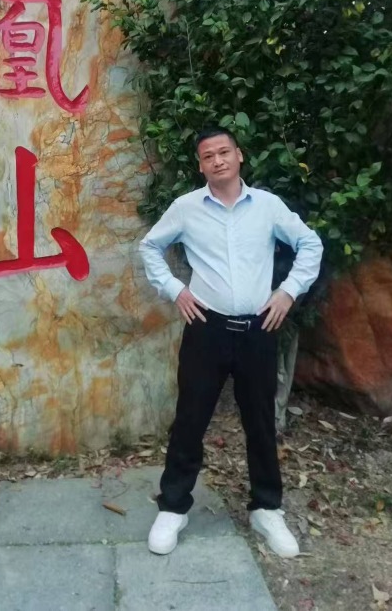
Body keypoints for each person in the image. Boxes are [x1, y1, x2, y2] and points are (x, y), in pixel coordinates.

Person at [138, 127, 323, 558]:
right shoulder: (186, 208)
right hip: (207, 328)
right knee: (190, 418)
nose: (217, 160)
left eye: (224, 152)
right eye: (208, 156)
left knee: (260, 421)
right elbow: (150, 247)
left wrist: (288, 291)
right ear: (200, 165)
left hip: (259, 329)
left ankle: (266, 508)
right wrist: (175, 290)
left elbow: (309, 243)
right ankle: (174, 506)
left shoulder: (267, 207)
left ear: (239, 156)